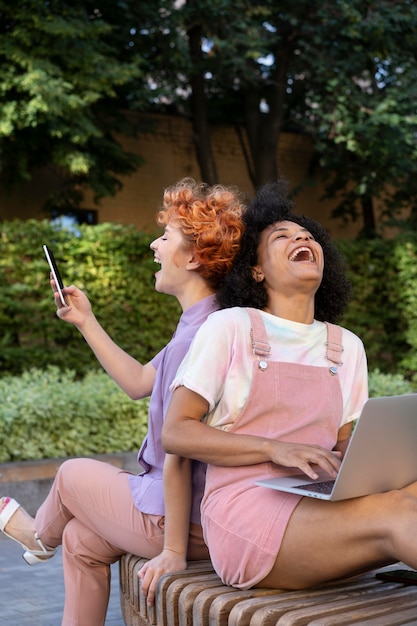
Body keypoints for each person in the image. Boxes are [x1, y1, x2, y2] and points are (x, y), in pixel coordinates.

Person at [0, 178, 246, 625]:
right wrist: (86, 320)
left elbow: (181, 449)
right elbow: (138, 381)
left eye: (166, 236)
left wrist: (172, 549)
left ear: (193, 257)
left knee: (72, 474)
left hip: (179, 521)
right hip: (186, 516)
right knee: (79, 539)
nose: (154, 244)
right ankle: (51, 541)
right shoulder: (204, 325)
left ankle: (37, 536)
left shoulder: (202, 335)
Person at [162, 177, 417, 592]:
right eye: (282, 236)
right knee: (394, 511)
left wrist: (376, 461)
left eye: (306, 235)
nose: (302, 238)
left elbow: (343, 444)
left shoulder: (347, 346)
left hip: (323, 507)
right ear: (257, 269)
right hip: (247, 515)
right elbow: (175, 432)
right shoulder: (230, 326)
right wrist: (272, 448)